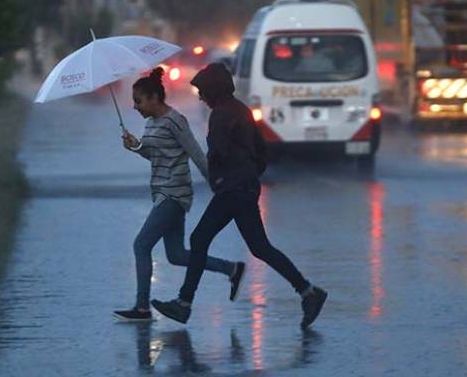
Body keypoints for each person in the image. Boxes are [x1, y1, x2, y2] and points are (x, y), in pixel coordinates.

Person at [151, 63, 327, 328]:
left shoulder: (221, 115)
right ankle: (308, 292)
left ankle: (184, 304)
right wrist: (250, 174)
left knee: (200, 239)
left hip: (232, 189)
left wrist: (219, 175)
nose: (200, 97)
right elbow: (262, 151)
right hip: (245, 187)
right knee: (260, 248)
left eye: (203, 91)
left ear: (214, 90)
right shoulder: (241, 109)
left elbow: (218, 152)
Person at [113, 67, 245, 321]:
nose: (135, 107)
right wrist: (136, 146)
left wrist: (218, 183)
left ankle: (142, 307)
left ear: (154, 98)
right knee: (177, 255)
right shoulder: (152, 123)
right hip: (162, 193)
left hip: (174, 194)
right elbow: (154, 153)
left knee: (141, 245)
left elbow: (195, 153)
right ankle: (232, 269)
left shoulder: (175, 120)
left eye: (138, 101)